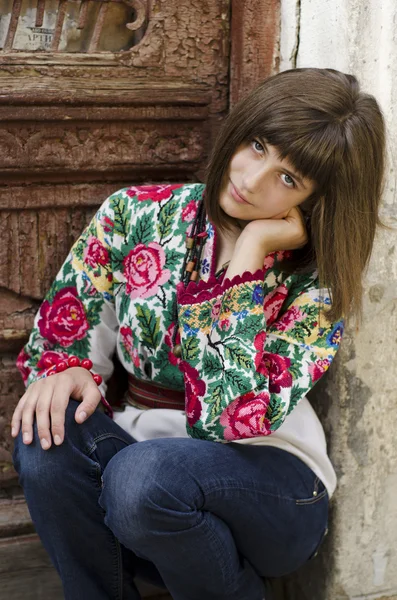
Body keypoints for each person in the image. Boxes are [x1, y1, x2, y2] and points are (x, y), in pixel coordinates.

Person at [11, 68, 385, 600]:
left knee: (144, 478)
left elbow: (229, 419)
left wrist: (250, 254)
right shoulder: (134, 213)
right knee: (45, 435)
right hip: (138, 495)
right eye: (257, 145)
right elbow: (59, 338)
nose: (252, 180)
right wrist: (68, 367)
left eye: (288, 178)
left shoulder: (318, 278)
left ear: (316, 198)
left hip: (272, 491)